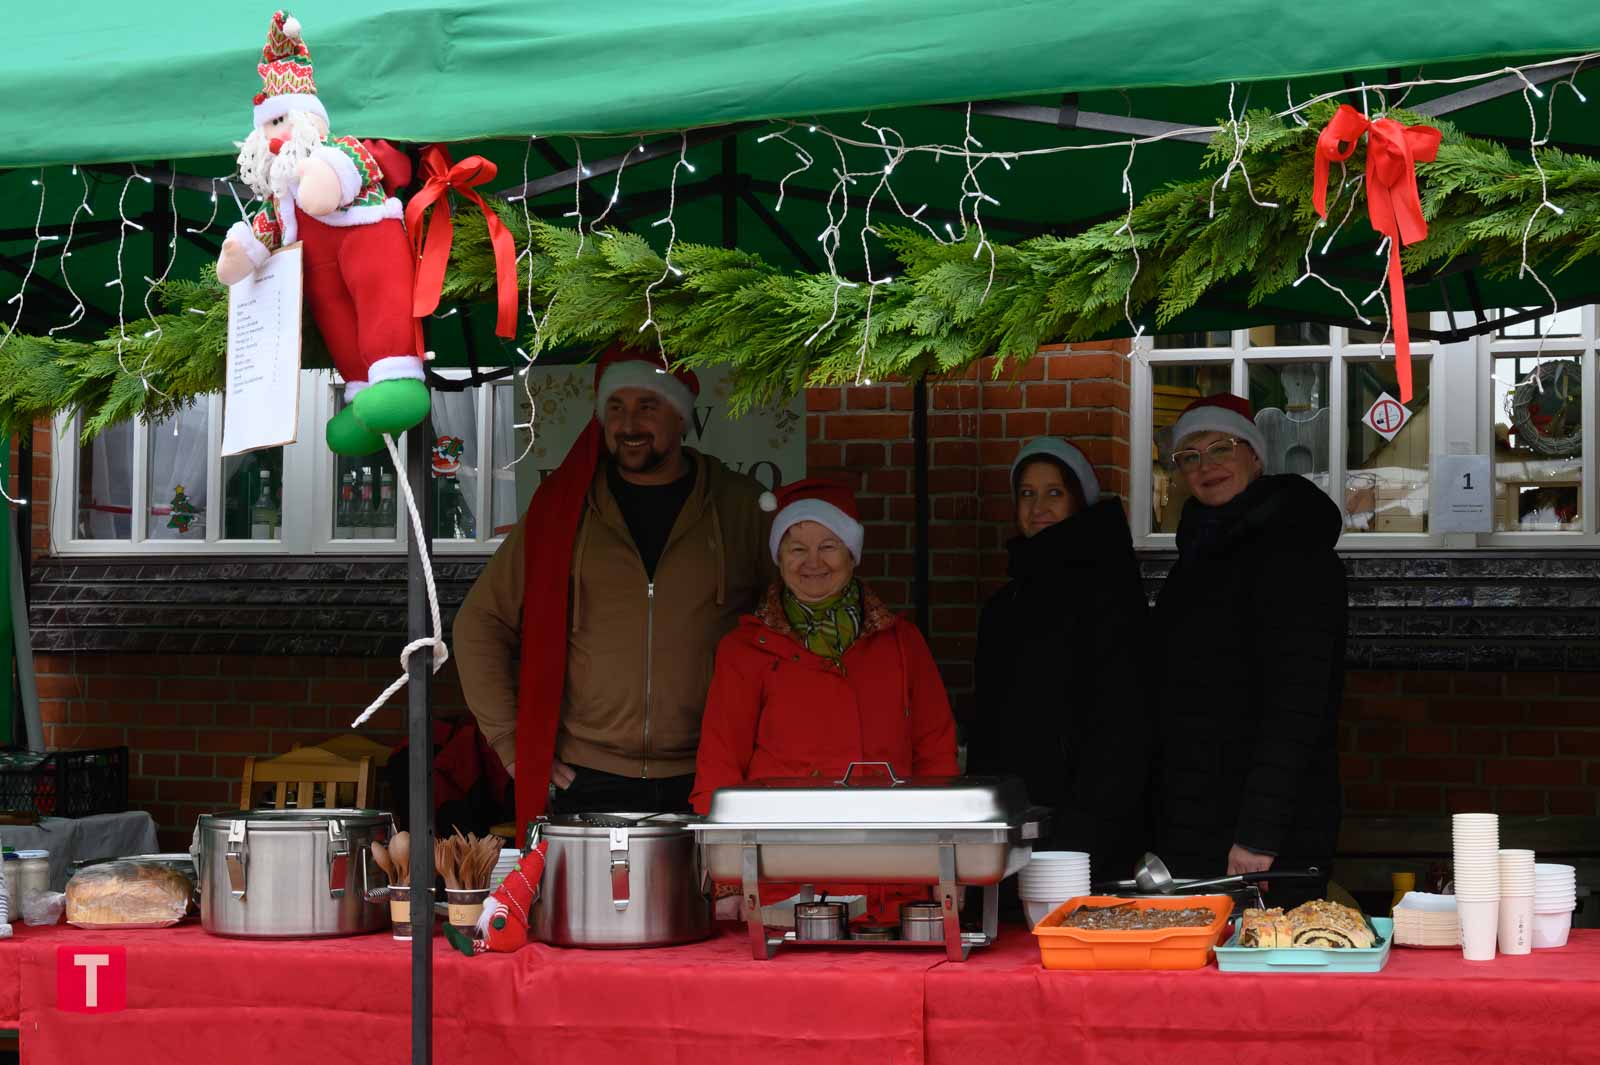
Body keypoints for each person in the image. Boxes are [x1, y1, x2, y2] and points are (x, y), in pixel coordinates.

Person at [454, 346, 771, 827]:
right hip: (588, 776)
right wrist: (512, 742)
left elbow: (789, 629)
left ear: (681, 416)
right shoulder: (563, 506)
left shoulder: (741, 506)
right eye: (616, 407)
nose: (629, 424)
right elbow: (481, 621)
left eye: (648, 406)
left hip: (715, 771)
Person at [1149, 394, 1347, 908]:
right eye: (1189, 456)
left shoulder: (1296, 553)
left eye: (1221, 448)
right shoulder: (1195, 559)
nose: (1206, 466)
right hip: (1194, 822)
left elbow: (1297, 706)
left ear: (1255, 457)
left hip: (1265, 836)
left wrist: (1259, 834)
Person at [691, 479, 959, 811]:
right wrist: (725, 840)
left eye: (828, 546)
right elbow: (719, 765)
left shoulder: (903, 642)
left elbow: (935, 751)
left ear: (852, 554)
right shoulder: (744, 649)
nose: (813, 562)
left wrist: (937, 823)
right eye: (797, 549)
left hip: (887, 830)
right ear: (779, 558)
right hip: (780, 835)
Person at [967, 438, 1150, 884]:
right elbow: (988, 724)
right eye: (1027, 493)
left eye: (1054, 492)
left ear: (1078, 499)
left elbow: (1122, 722)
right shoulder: (1004, 605)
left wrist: (1088, 823)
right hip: (1014, 823)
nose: (1038, 507)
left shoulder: (1109, 592)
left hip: (1089, 825)